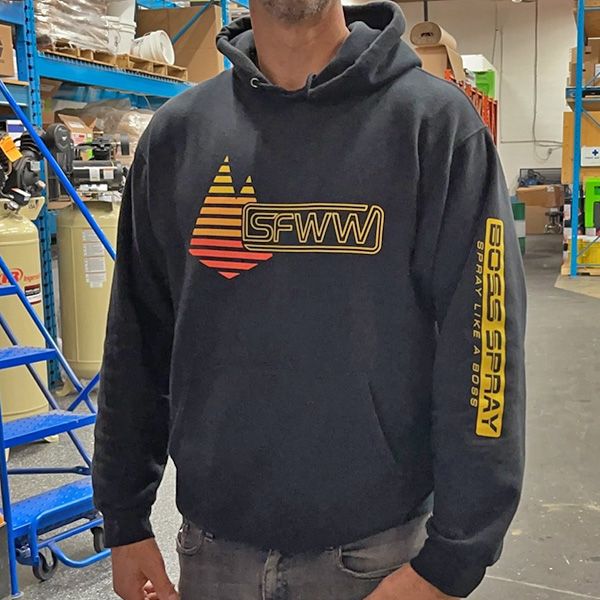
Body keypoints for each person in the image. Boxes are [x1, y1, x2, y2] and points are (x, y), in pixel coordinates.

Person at [92, 0, 527, 598]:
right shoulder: (178, 136)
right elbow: (136, 338)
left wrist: (454, 557)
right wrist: (124, 517)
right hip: (214, 556)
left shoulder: (433, 126)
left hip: (378, 558)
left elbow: (484, 342)